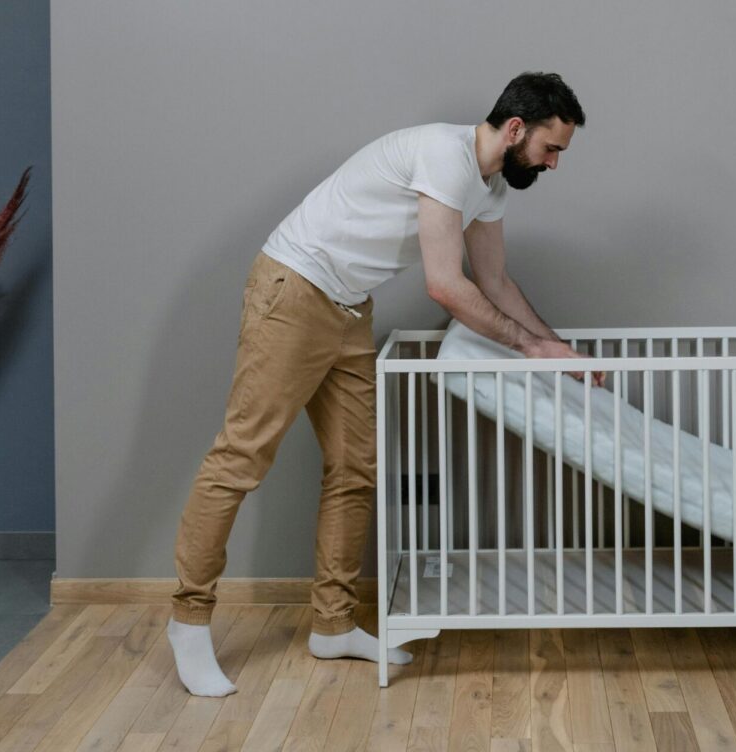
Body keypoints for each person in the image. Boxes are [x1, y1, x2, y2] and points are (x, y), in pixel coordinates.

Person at [167, 71, 601, 697]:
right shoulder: (443, 157)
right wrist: (529, 346)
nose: (554, 163)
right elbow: (446, 287)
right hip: (294, 290)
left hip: (347, 307)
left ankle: (334, 624)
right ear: (515, 129)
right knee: (240, 457)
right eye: (551, 147)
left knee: (355, 467)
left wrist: (553, 347)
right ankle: (188, 621)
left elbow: (497, 283)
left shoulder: (490, 187)